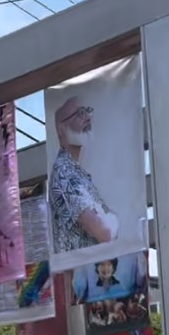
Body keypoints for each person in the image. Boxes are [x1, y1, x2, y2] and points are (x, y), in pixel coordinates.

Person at [49, 96, 119, 256]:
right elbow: (105, 232)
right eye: (80, 113)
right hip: (79, 276)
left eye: (87, 111)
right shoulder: (65, 173)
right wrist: (113, 219)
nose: (88, 117)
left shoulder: (77, 172)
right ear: (61, 129)